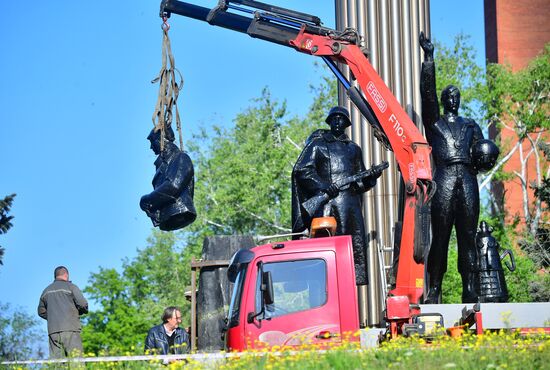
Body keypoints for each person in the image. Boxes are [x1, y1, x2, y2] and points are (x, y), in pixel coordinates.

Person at [419, 32, 497, 303]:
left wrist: (487, 159)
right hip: (444, 177)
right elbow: (426, 94)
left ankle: (470, 288)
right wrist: (428, 58)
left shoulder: (470, 125)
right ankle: (435, 290)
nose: (453, 98)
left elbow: (481, 154)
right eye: (449, 95)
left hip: (467, 178)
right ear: (443, 100)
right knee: (440, 238)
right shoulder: (435, 124)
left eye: (457, 95)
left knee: (467, 236)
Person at [292, 106, 382, 286]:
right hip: (326, 205)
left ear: (347, 123)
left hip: (349, 206)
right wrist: (323, 185)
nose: (338, 122)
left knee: (348, 253)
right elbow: (302, 170)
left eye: (341, 119)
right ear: (329, 121)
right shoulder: (317, 145)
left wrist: (371, 177)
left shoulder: (354, 149)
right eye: (334, 118)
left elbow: (359, 182)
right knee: (325, 253)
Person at [140, 125, 196, 231]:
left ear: (162, 139)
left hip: (179, 212)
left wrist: (148, 199)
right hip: (168, 216)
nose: (151, 147)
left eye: (152, 141)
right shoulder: (163, 164)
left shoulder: (180, 157)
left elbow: (173, 185)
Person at [37, 266, 88, 358]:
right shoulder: (71, 287)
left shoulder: (46, 291)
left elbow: (41, 311)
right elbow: (83, 304)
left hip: (53, 332)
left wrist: (53, 317)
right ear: (66, 275)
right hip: (71, 329)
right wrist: (80, 312)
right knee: (76, 362)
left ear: (55, 276)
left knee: (57, 364)